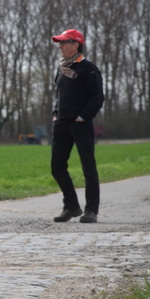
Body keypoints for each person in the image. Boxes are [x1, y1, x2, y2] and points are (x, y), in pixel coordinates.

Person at [50, 29, 105, 223]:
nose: (60, 46)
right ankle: (72, 206)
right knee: (56, 167)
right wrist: (56, 114)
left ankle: (91, 210)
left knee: (88, 167)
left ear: (76, 44)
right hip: (62, 125)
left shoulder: (88, 68)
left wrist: (82, 117)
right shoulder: (60, 68)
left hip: (81, 125)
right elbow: (59, 96)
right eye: (60, 43)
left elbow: (97, 97)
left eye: (64, 42)